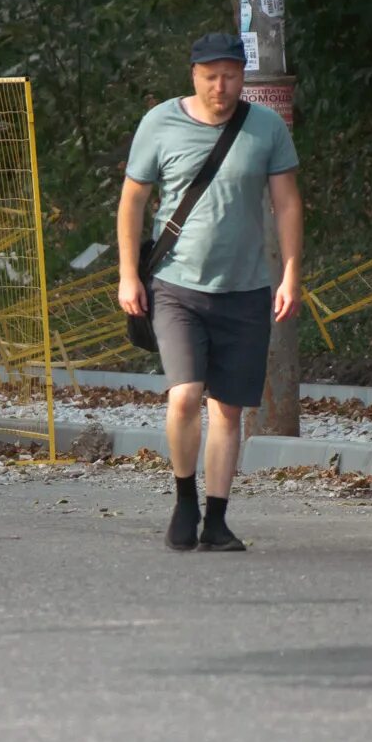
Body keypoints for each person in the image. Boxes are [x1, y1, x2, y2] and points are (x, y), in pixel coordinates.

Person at [117, 32, 302, 552]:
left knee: (228, 408)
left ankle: (217, 520)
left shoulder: (265, 128)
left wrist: (290, 274)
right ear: (193, 76)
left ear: (243, 77)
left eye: (231, 76)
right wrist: (128, 274)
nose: (221, 87)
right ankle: (184, 501)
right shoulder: (159, 122)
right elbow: (133, 201)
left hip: (245, 289)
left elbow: (287, 203)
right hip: (176, 285)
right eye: (210, 77)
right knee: (184, 396)